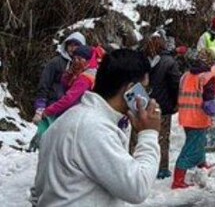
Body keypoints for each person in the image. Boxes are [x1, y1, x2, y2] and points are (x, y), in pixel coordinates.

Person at [30, 48, 160, 206]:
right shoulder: (93, 128)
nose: (147, 96)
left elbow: (38, 193)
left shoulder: (72, 119)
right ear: (130, 90)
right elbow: (138, 187)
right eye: (145, 89)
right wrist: (149, 133)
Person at [172, 49, 215, 189]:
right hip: (198, 117)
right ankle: (178, 179)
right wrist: (214, 115)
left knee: (198, 142)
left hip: (185, 115)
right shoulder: (208, 77)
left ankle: (202, 163)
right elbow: (208, 103)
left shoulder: (186, 75)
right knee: (191, 148)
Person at [133, 32, 182, 180]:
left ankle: (135, 164)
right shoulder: (170, 62)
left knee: (138, 134)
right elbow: (175, 85)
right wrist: (175, 103)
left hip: (141, 103)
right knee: (162, 137)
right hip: (162, 105)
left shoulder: (139, 60)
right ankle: (161, 168)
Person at [30, 31, 86, 150]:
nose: (72, 48)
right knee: (45, 140)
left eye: (76, 45)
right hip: (52, 107)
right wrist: (40, 107)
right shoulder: (56, 63)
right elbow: (44, 84)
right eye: (70, 45)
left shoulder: (84, 68)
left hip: (71, 111)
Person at [41, 45, 102, 121]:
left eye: (79, 59)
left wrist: (47, 112)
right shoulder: (86, 70)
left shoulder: (86, 77)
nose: (76, 61)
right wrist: (69, 75)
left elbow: (69, 99)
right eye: (74, 58)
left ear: (87, 60)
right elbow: (65, 85)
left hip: (77, 116)